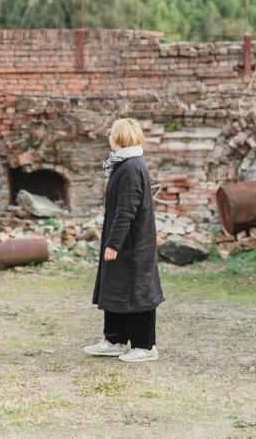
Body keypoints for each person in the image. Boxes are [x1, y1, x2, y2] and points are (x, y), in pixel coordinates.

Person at [85, 117, 164, 362]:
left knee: (136, 291)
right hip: (125, 243)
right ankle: (115, 340)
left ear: (118, 138)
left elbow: (126, 210)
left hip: (133, 245)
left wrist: (113, 243)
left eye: (111, 133)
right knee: (116, 288)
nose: (108, 137)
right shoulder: (124, 164)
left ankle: (144, 346)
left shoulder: (131, 168)